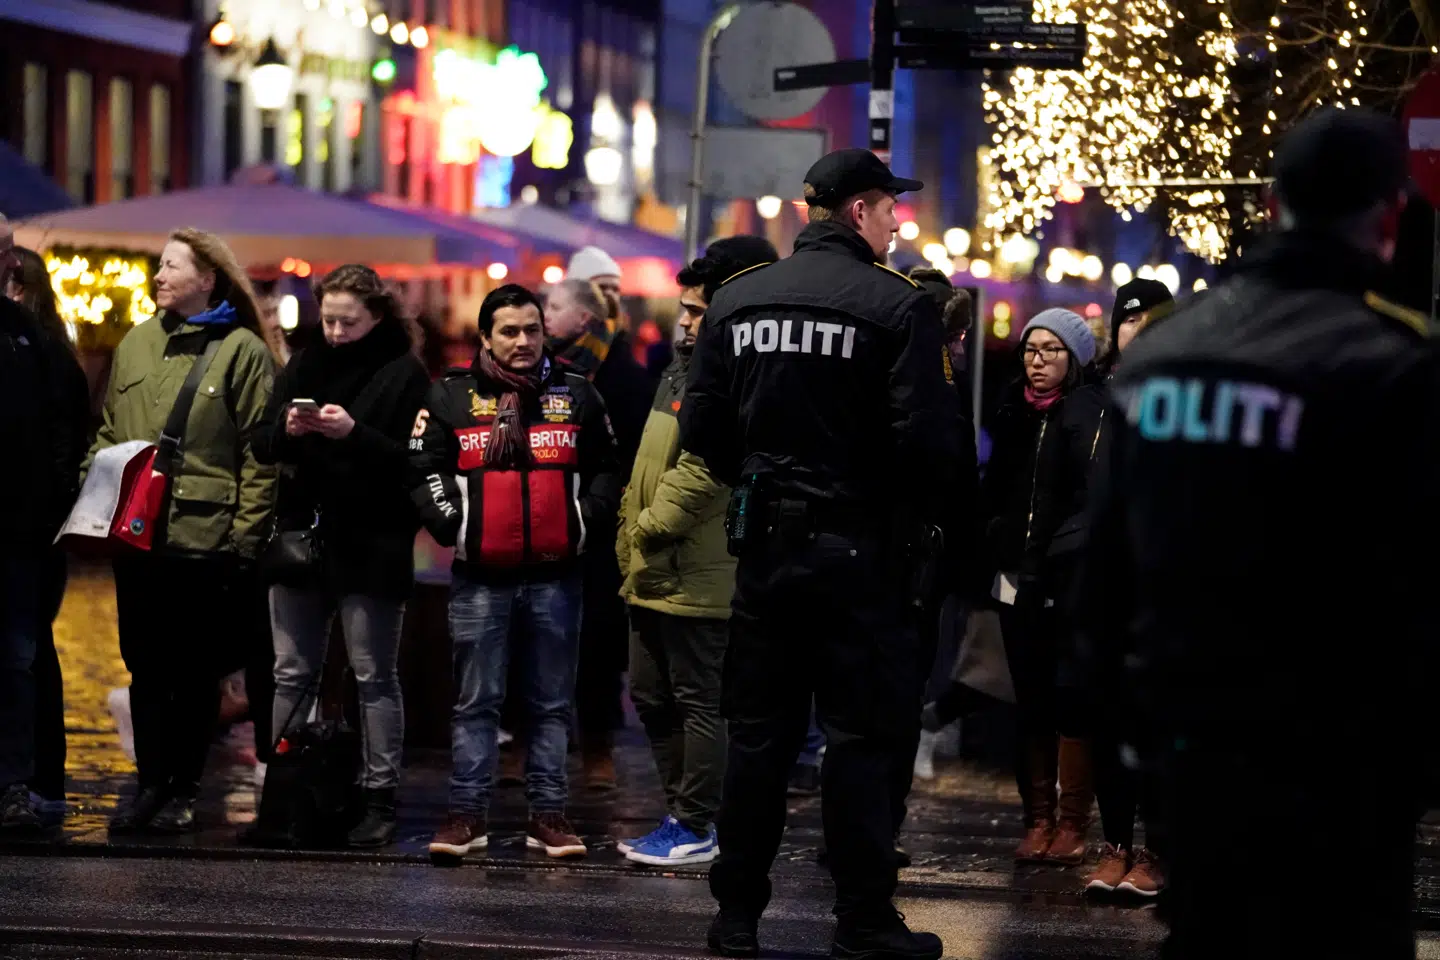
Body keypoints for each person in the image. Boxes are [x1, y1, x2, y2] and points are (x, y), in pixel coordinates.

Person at [1079, 107, 1438, 958]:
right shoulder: (1386, 360)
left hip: (1187, 743)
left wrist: (1123, 742)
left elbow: (1105, 576)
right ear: (1388, 215)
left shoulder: (1165, 355)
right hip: (1337, 759)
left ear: (1275, 201)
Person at [681, 147, 964, 960]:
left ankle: (736, 917)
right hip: (858, 557)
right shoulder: (894, 303)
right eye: (889, 208)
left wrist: (763, 482)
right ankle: (864, 919)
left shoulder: (739, 300)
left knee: (759, 738)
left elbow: (703, 429)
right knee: (860, 743)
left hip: (765, 551)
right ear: (859, 212)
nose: (896, 222)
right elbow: (929, 441)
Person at [412, 284, 621, 861]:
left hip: (558, 574)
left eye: (532, 329)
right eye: (509, 331)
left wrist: (585, 519)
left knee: (553, 703)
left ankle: (548, 816)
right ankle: (466, 816)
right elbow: (423, 466)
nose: (524, 340)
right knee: (476, 702)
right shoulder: (451, 396)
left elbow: (608, 467)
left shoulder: (577, 394)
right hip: (480, 576)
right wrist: (454, 525)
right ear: (486, 337)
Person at [87, 228, 277, 834]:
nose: (158, 276)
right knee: (144, 662)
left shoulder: (242, 351)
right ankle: (151, 784)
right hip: (137, 536)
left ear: (208, 278)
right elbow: (110, 429)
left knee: (194, 673)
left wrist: (244, 539)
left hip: (207, 538)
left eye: (171, 267)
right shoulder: (137, 344)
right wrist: (100, 486)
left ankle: (184, 787)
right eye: (159, 267)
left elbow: (260, 454)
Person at [252, 264, 430, 848]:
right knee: (290, 671)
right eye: (327, 318)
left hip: (372, 542)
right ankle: (285, 794)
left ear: (376, 316)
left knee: (373, 673)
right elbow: (261, 443)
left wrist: (352, 432)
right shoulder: (306, 361)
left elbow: (414, 463)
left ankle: (378, 797)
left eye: (347, 322)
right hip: (304, 535)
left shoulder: (404, 373)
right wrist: (288, 426)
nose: (333, 331)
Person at [616, 235, 777, 867]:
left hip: (697, 571)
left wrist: (648, 527)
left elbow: (709, 468)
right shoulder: (681, 369)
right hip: (652, 567)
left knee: (698, 701)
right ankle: (683, 813)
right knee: (651, 695)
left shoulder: (735, 377)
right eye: (683, 309)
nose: (683, 321)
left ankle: (697, 821)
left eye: (696, 311)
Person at [980, 309, 1103, 867]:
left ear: (1074, 358)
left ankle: (1074, 820)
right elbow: (996, 490)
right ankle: (1039, 819)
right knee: (1028, 698)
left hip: (1067, 578)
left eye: (1052, 351)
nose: (1037, 361)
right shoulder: (1012, 413)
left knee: (1070, 698)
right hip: (1014, 577)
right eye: (1031, 350)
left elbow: (1087, 496)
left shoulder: (1087, 413)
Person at [1083, 276, 1175, 898]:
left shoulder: (1177, 395)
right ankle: (1115, 844)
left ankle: (1157, 852)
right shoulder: (1094, 400)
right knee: (1108, 722)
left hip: (1161, 584)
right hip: (1104, 583)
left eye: (1148, 320)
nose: (1136, 331)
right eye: (1128, 320)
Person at [544, 276, 653, 788]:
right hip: (545, 520)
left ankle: (597, 747)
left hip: (600, 525)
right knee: (538, 636)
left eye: (554, 305)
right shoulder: (538, 369)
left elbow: (629, 454)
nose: (544, 313)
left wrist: (601, 503)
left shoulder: (620, 373)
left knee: (597, 642)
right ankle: (530, 742)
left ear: (583, 318)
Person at [0, 223, 88, 833]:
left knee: (18, 658)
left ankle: (17, 783)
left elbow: (64, 434)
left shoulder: (29, 338)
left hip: (19, 530)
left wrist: (47, 511)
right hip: (25, 527)